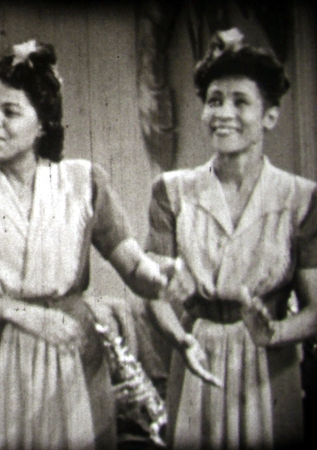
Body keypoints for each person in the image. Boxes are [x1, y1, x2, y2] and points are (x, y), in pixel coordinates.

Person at [0, 39, 172, 449]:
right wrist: (21, 313)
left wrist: (164, 277)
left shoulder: (84, 182)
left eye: (10, 111)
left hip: (75, 353)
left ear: (43, 125)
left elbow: (137, 270)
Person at [145, 28, 317, 448]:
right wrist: (181, 339)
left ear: (270, 116)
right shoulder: (172, 191)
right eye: (214, 100)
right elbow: (153, 293)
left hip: (270, 366)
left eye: (240, 102)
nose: (223, 112)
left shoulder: (300, 198)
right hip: (196, 355)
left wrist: (274, 333)